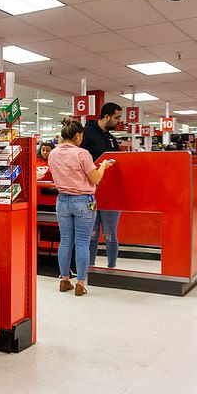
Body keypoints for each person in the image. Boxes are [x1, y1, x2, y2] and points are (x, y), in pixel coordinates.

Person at [48, 118, 114, 296]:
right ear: (77, 135)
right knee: (83, 243)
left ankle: (64, 280)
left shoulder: (53, 153)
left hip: (62, 201)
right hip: (83, 201)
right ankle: (80, 283)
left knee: (65, 240)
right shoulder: (82, 153)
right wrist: (104, 166)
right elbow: (96, 179)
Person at [80, 102, 122, 269]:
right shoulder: (86, 134)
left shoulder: (111, 138)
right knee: (92, 234)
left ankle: (112, 267)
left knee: (111, 234)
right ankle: (89, 268)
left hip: (111, 193)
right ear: (106, 117)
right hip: (90, 192)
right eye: (117, 117)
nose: (119, 121)